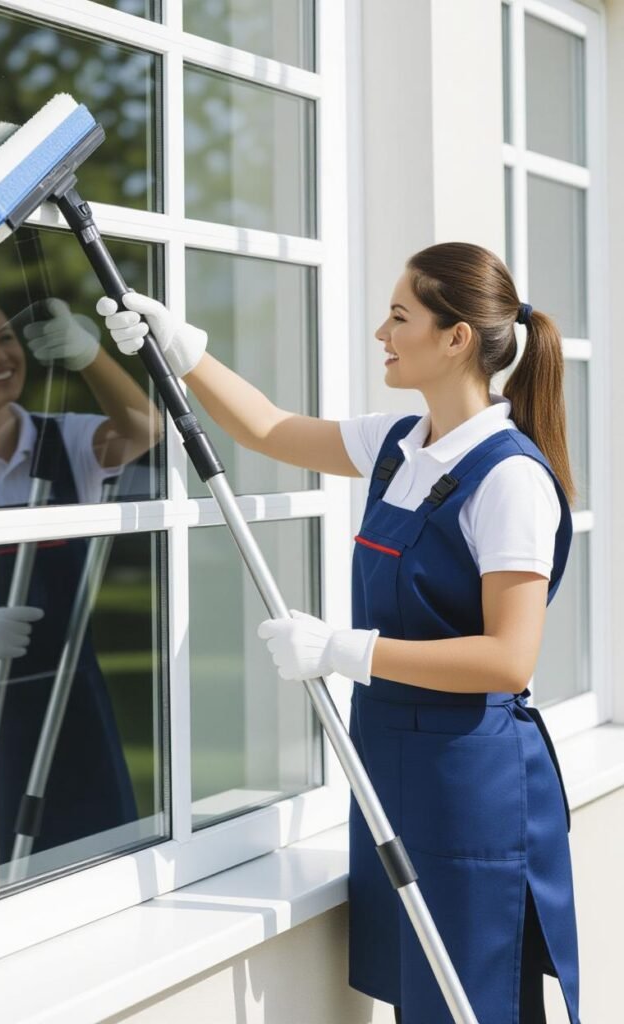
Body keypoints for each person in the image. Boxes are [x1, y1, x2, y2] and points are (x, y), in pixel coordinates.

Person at [96, 240, 580, 1024]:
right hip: (389, 759)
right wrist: (183, 350)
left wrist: (341, 650)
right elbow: (269, 429)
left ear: (456, 337)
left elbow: (507, 658)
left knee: (471, 1001)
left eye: (398, 316)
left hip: (468, 780)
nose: (381, 333)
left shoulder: (509, 480)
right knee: (420, 998)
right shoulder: (399, 447)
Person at [0, 296, 163, 878]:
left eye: (5, 339)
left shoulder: (64, 442)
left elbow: (146, 427)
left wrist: (90, 355)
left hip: (68, 709)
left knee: (88, 872)